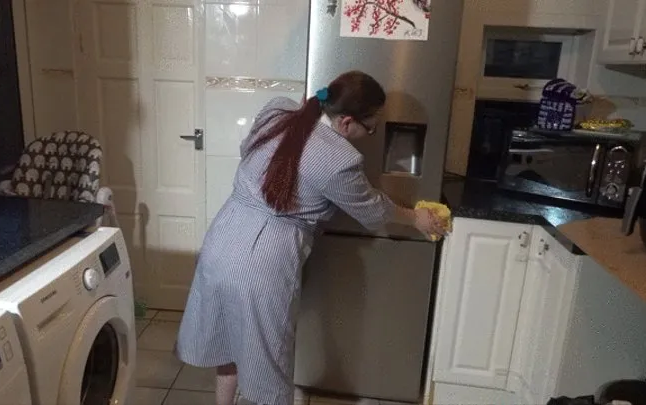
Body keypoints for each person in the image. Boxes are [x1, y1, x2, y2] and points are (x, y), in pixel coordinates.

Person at [175, 71, 447, 405]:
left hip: (223, 236)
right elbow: (373, 210)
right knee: (269, 365)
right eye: (370, 127)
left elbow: (248, 149)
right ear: (346, 122)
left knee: (227, 340)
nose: (368, 134)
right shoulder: (338, 159)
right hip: (263, 259)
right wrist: (415, 217)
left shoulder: (277, 111)